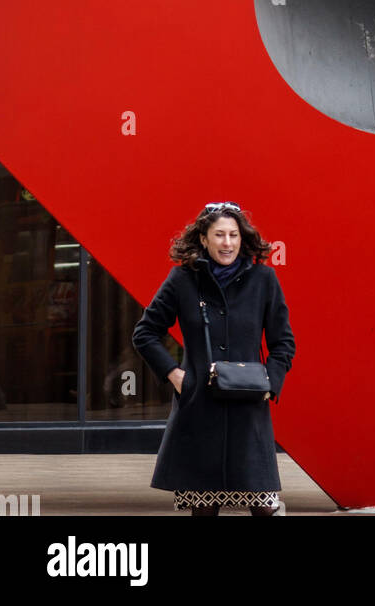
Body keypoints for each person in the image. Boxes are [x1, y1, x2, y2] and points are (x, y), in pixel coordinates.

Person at [132, 202, 295, 516]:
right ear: (204, 239)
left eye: (233, 235)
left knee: (264, 509)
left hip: (248, 414)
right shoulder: (182, 280)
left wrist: (269, 384)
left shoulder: (264, 279)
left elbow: (283, 343)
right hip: (199, 410)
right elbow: (145, 333)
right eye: (219, 235)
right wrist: (176, 375)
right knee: (203, 510)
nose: (228, 243)